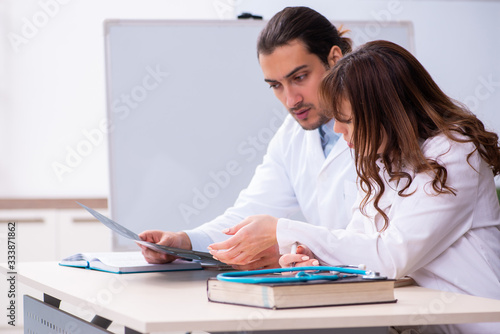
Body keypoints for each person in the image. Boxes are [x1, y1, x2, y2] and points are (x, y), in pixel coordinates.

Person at [279, 40, 500, 334]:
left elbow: (390, 257)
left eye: (347, 120)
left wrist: (284, 230)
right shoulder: (384, 160)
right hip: (421, 323)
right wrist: (311, 257)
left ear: (387, 113)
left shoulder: (454, 154)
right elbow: (358, 244)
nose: (337, 130)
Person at [139, 6, 357, 269]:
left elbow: (386, 245)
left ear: (334, 59)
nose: (290, 100)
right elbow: (250, 213)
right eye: (275, 86)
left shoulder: (385, 125)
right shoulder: (291, 135)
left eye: (299, 77)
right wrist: (183, 242)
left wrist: (286, 242)